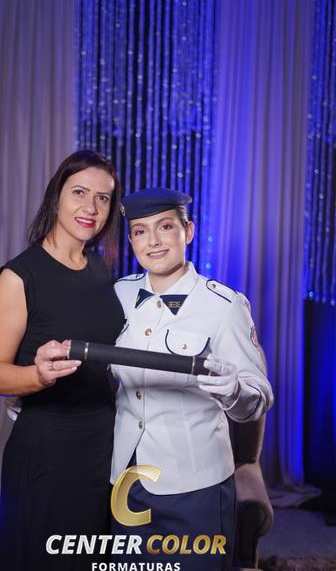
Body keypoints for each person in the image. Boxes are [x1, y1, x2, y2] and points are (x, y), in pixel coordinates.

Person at [110, 187, 274, 570]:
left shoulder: (224, 305)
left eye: (165, 227)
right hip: (125, 479)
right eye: (139, 231)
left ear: (188, 231)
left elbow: (259, 396)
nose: (152, 241)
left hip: (195, 485)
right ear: (131, 240)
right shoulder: (118, 294)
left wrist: (236, 391)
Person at [0, 150, 125, 571]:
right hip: (47, 453)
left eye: (102, 198)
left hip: (103, 449)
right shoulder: (19, 276)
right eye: (79, 192)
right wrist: (37, 375)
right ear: (56, 195)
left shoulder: (102, 272)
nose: (91, 207)